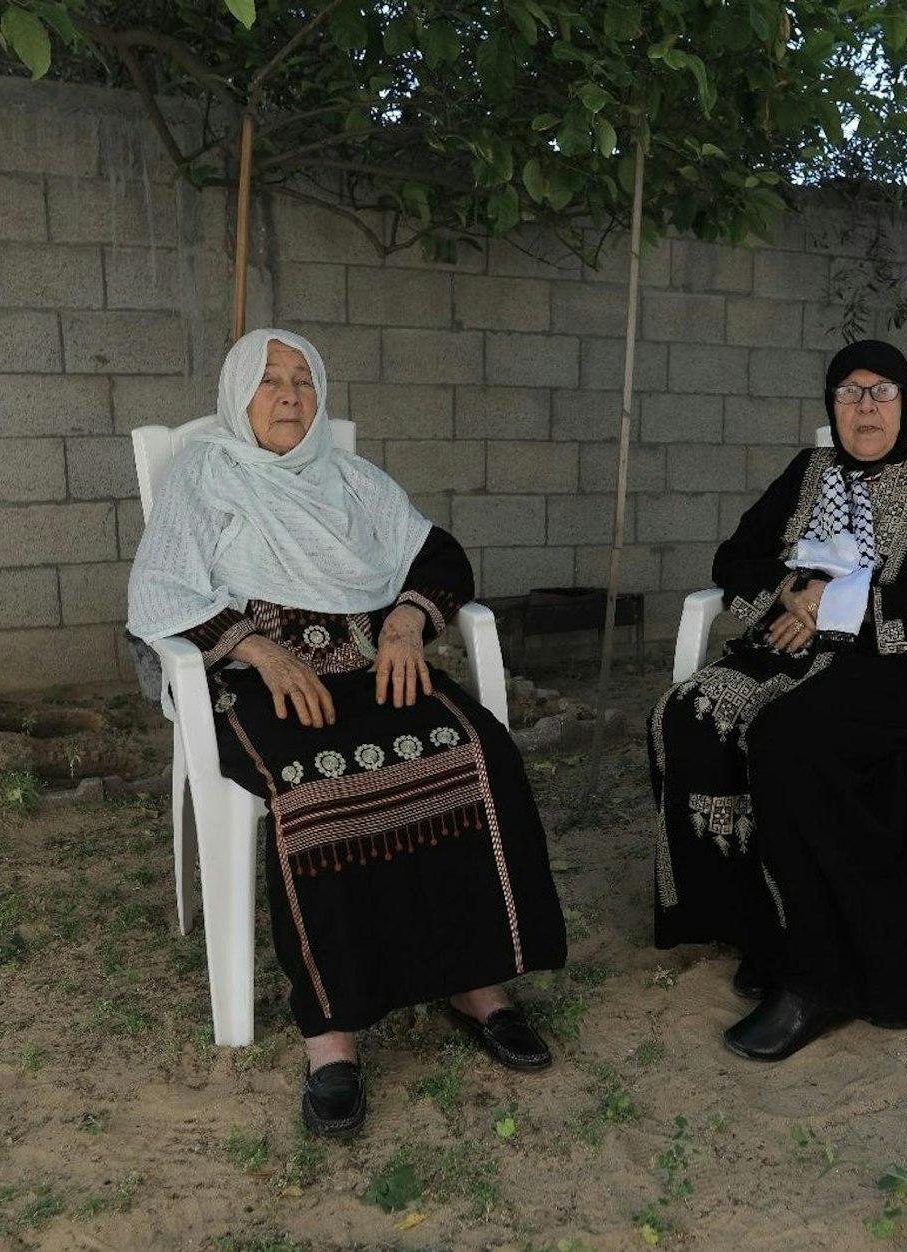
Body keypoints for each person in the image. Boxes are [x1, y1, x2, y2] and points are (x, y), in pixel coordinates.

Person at [128, 329, 566, 1137]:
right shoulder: (205, 473)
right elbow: (162, 587)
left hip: (370, 662)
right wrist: (258, 650)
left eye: (302, 381)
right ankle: (332, 1037)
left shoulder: (352, 479)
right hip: (258, 683)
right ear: (237, 397)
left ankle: (478, 985)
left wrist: (404, 623)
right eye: (269, 381)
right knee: (321, 786)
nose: (290, 395)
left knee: (478, 753)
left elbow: (436, 555)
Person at [648, 339, 907, 1061]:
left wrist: (845, 600)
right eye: (849, 393)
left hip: (896, 660)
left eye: (881, 392)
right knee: (688, 714)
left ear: (903, 404)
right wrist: (792, 590)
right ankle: (761, 929)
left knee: (789, 737)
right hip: (788, 647)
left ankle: (817, 975)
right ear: (831, 408)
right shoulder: (807, 472)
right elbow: (734, 557)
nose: (865, 407)